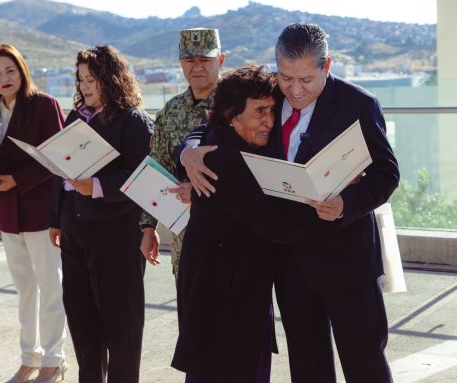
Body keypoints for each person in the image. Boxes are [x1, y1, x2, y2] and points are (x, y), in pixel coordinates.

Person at [178, 23, 399, 383]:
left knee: (365, 365)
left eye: (306, 80)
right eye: (286, 78)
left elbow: (386, 175)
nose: (295, 90)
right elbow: (216, 119)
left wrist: (345, 203)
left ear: (326, 67)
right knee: (308, 367)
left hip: (348, 261)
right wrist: (187, 151)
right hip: (290, 265)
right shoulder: (272, 95)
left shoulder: (359, 105)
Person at [172, 66, 347, 383]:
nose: (269, 121)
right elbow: (278, 226)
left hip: (231, 290)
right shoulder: (224, 159)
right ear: (231, 114)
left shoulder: (225, 141)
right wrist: (332, 211)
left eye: (271, 110)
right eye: (259, 112)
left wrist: (185, 152)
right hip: (224, 297)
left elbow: (198, 130)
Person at [48, 45, 153, 383]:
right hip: (74, 233)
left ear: (111, 79)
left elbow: (143, 178)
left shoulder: (134, 122)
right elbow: (60, 166)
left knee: (121, 331)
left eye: (91, 79)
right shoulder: (75, 117)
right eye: (80, 80)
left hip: (117, 237)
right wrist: (55, 218)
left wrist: (95, 186)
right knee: (83, 324)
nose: (84, 87)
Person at [0, 44, 67, 383]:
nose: (4, 78)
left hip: (42, 211)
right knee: (25, 289)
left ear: (22, 71)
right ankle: (29, 357)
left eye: (10, 70)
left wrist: (18, 179)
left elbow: (58, 158)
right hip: (9, 215)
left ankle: (54, 360)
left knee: (50, 287)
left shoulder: (44, 105)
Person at [139, 28, 225, 280]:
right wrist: (148, 227)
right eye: (190, 60)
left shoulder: (237, 105)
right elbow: (157, 167)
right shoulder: (171, 110)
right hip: (184, 238)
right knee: (190, 316)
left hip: (230, 236)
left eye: (205, 60)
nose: (196, 67)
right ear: (181, 63)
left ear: (220, 60)